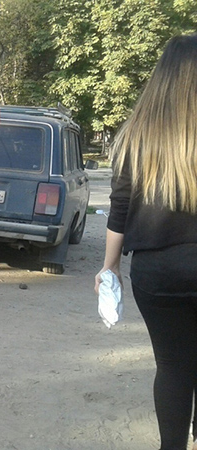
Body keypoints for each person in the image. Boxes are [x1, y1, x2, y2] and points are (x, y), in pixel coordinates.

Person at [94, 33, 197, 450]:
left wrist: (110, 267)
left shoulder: (136, 135)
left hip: (158, 273)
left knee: (173, 366)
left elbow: (119, 208)